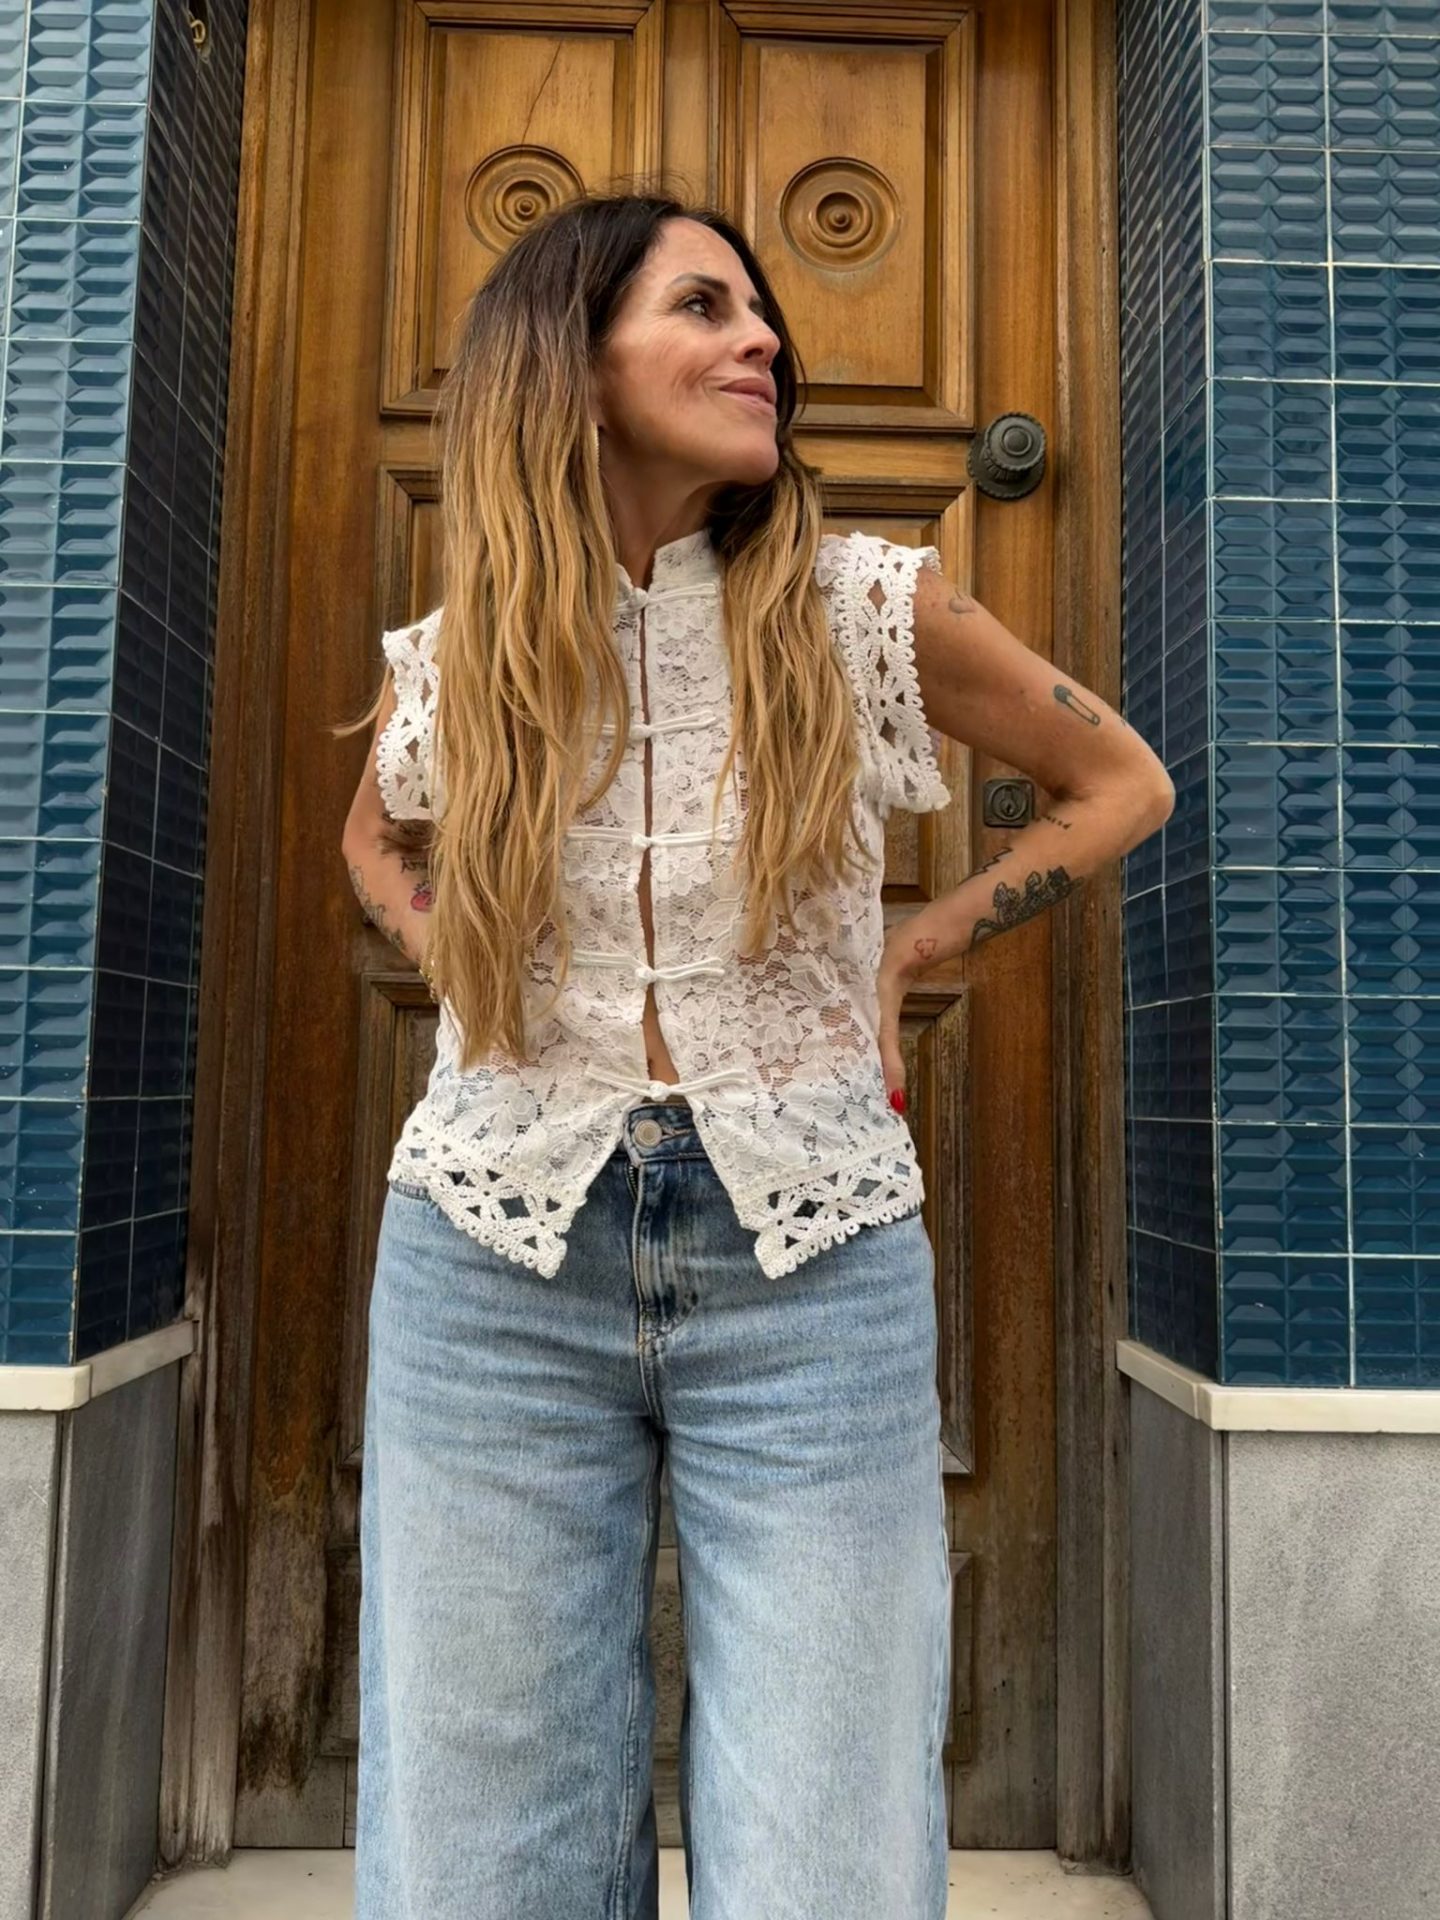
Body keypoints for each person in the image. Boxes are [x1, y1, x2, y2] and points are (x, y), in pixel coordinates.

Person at [335, 187, 1172, 1920]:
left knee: (825, 1851)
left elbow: (1121, 783)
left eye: (760, 310)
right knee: (483, 1847)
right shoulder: (471, 651)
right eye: (704, 308)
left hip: (810, 1264)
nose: (765, 341)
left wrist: (918, 944)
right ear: (570, 365)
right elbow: (371, 839)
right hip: (490, 1262)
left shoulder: (867, 608)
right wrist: (455, 958)